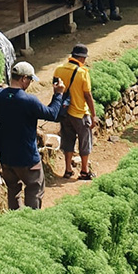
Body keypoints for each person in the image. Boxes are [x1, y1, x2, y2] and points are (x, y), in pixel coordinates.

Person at [0, 62, 64, 209]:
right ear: (23, 79)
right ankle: (31, 222)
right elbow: (52, 114)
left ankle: (15, 222)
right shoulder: (29, 100)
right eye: (30, 80)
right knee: (35, 189)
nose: (29, 83)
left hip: (6, 157)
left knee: (13, 191)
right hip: (28, 158)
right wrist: (58, 95)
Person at [52, 44, 96, 180]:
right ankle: (84, 170)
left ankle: (68, 170)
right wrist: (93, 115)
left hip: (64, 112)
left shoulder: (59, 69)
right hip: (80, 113)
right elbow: (88, 95)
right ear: (82, 58)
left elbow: (55, 88)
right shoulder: (83, 73)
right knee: (85, 142)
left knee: (68, 140)